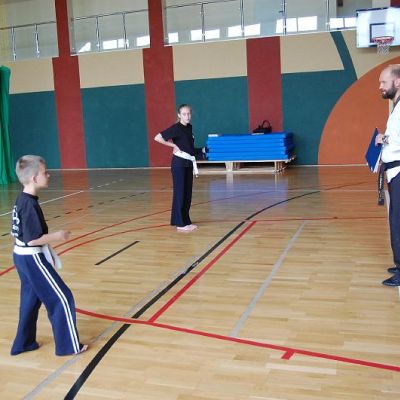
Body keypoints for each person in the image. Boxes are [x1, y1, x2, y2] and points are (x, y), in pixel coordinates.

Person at [10, 155, 87, 356]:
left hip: (21, 256)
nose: (49, 175)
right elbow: (32, 240)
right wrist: (58, 236)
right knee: (62, 298)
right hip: (31, 258)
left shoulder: (22, 199)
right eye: (45, 173)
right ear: (34, 178)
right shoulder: (29, 204)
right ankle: (68, 346)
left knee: (30, 299)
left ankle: (23, 343)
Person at [154, 104, 198, 232]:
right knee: (180, 194)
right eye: (184, 114)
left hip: (188, 164)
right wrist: (173, 146)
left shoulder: (189, 127)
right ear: (179, 115)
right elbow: (158, 137)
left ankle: (185, 221)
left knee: (187, 194)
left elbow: (188, 147)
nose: (187, 116)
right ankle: (180, 224)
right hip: (179, 165)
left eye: (189, 113)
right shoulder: (176, 128)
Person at [375, 64, 400, 286]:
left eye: (384, 82)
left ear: (397, 82)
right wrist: (384, 138)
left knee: (398, 222)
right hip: (394, 172)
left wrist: (382, 139)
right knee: (395, 220)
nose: (380, 86)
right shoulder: (396, 107)